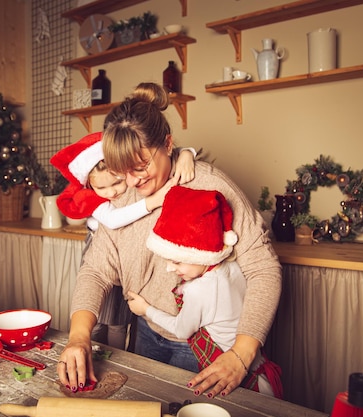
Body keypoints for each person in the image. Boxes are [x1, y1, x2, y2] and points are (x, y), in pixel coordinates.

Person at [57, 82, 281, 399]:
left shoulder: (209, 184)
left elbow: (263, 268)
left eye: (142, 166)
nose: (133, 182)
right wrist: (79, 335)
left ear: (168, 143)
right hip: (147, 331)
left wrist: (242, 353)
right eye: (123, 171)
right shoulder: (119, 196)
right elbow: (95, 270)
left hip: (207, 342)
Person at [126, 186, 282, 398]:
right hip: (259, 370)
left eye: (177, 261)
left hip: (238, 380)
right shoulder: (232, 267)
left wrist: (146, 309)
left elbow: (181, 330)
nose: (170, 268)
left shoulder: (200, 290)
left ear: (201, 255)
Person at [49, 131, 196, 349]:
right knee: (100, 313)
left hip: (127, 254)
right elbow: (114, 219)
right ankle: (91, 346)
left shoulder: (133, 184)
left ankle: (116, 354)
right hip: (100, 249)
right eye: (101, 187)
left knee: (119, 315)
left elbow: (170, 155)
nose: (111, 193)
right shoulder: (94, 200)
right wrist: (154, 201)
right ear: (90, 186)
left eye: (117, 183)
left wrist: (186, 154)